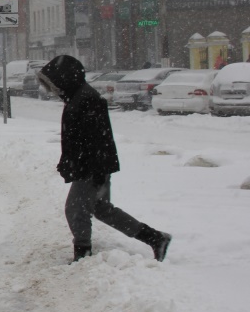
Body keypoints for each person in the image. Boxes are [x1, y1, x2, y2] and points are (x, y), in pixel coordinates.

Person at [38, 55, 171, 262]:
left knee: (75, 209)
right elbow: (77, 139)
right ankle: (155, 238)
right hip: (91, 165)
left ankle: (83, 254)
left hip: (91, 167)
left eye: (53, 82)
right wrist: (68, 161)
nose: (52, 88)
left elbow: (99, 138)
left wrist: (98, 171)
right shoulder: (77, 97)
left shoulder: (87, 99)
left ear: (65, 78)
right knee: (101, 208)